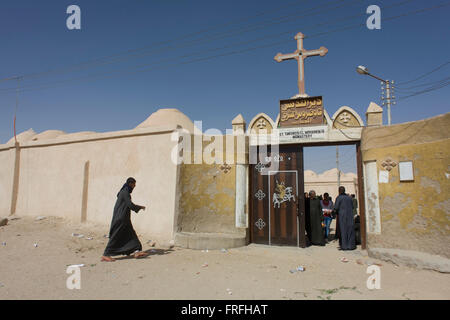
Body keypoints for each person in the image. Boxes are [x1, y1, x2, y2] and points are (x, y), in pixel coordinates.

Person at [101, 177, 148, 262]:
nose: (134, 186)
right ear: (130, 184)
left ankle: (136, 250)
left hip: (124, 218)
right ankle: (106, 254)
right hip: (120, 218)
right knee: (116, 236)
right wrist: (140, 207)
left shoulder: (124, 192)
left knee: (131, 234)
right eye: (134, 184)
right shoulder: (125, 192)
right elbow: (130, 205)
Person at [333, 186, 356, 250]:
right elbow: (352, 206)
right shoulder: (349, 198)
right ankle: (351, 246)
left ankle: (344, 246)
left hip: (342, 216)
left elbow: (336, 207)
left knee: (343, 230)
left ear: (339, 191)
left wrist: (334, 212)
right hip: (350, 216)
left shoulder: (339, 198)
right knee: (350, 230)